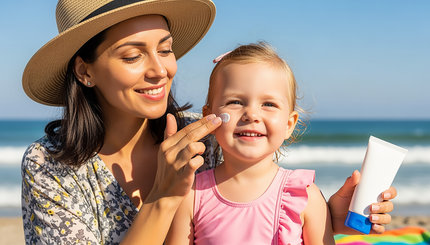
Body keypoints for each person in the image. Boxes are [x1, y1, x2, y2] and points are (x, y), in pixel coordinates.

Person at [21, 0, 396, 244]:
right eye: (133, 55)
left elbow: (257, 211)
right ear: (85, 71)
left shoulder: (209, 132)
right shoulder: (50, 167)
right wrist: (164, 196)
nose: (160, 70)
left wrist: (326, 216)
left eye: (165, 49)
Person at [166, 42, 335, 244]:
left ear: (289, 124)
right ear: (209, 117)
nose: (252, 115)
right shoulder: (191, 196)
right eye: (235, 102)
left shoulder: (305, 198)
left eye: (269, 104)